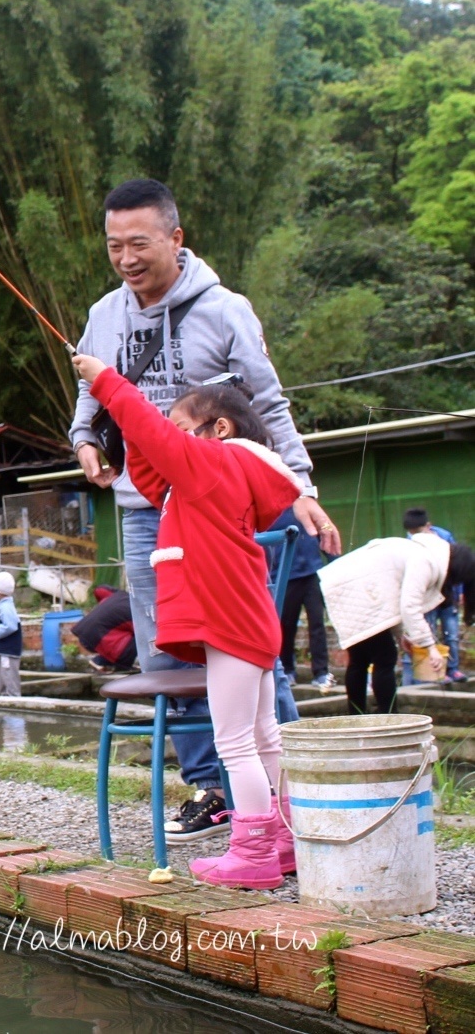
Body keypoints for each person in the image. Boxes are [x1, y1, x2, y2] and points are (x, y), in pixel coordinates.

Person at [68, 177, 341, 845]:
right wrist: (84, 440)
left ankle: (290, 789)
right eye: (113, 246)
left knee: (247, 650)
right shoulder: (104, 315)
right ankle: (212, 788)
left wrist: (298, 486)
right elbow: (91, 403)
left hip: (220, 511)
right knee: (167, 643)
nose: (126, 258)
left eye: (139, 243)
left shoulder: (224, 310)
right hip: (145, 507)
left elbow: (268, 405)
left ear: (175, 238)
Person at [75, 352, 303, 889]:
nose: (172, 437)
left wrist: (105, 382)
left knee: (236, 743)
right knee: (265, 736)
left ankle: (252, 854)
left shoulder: (213, 465)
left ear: (217, 429)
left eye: (182, 427)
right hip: (249, 620)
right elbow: (155, 467)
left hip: (229, 622)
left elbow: (162, 444)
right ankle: (291, 838)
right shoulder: (218, 477)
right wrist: (127, 428)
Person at [319, 535, 474, 714]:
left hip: (347, 587)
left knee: (359, 659)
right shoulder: (425, 562)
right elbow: (409, 607)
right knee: (385, 657)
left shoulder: (427, 552)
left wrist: (401, 635)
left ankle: (357, 716)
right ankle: (389, 717)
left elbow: (393, 596)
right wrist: (430, 647)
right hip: (356, 591)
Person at [269, 505, 333, 689]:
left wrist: (334, 561)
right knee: (286, 626)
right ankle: (288, 669)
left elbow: (324, 532)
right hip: (286, 575)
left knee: (317, 624)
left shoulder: (305, 505)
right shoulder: (271, 510)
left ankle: (321, 672)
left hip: (312, 572)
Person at [406, 508, 465, 682]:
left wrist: (460, 591)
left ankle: (453, 669)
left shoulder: (445, 537)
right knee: (428, 633)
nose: (415, 535)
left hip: (447, 594)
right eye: (412, 533)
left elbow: (458, 564)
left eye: (418, 531)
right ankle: (433, 674)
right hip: (426, 597)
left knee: (451, 634)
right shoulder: (409, 543)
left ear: (428, 526)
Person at [72, 585, 136, 672]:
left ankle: (116, 663)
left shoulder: (120, 595)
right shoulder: (136, 612)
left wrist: (104, 607)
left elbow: (99, 590)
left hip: (82, 630)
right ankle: (102, 662)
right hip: (97, 637)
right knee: (139, 639)